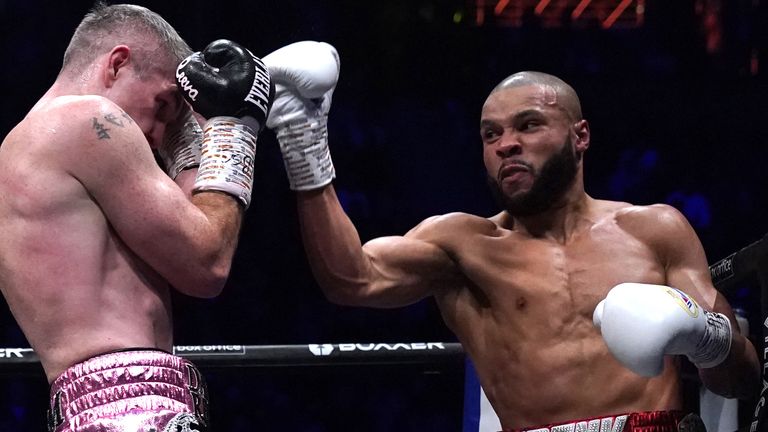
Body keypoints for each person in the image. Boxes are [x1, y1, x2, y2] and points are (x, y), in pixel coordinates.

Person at [262, 42, 761, 431]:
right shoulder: (464, 245)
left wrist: (702, 335)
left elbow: (741, 380)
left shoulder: (656, 229)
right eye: (491, 134)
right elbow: (351, 278)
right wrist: (302, 139)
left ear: (579, 136)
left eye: (528, 125)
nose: (507, 145)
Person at [0, 3, 272, 431]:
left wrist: (187, 142)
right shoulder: (88, 119)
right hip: (132, 407)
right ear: (118, 63)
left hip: (91, 406)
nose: (160, 134)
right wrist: (234, 128)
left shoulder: (26, 147)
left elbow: (185, 239)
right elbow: (207, 261)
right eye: (163, 105)